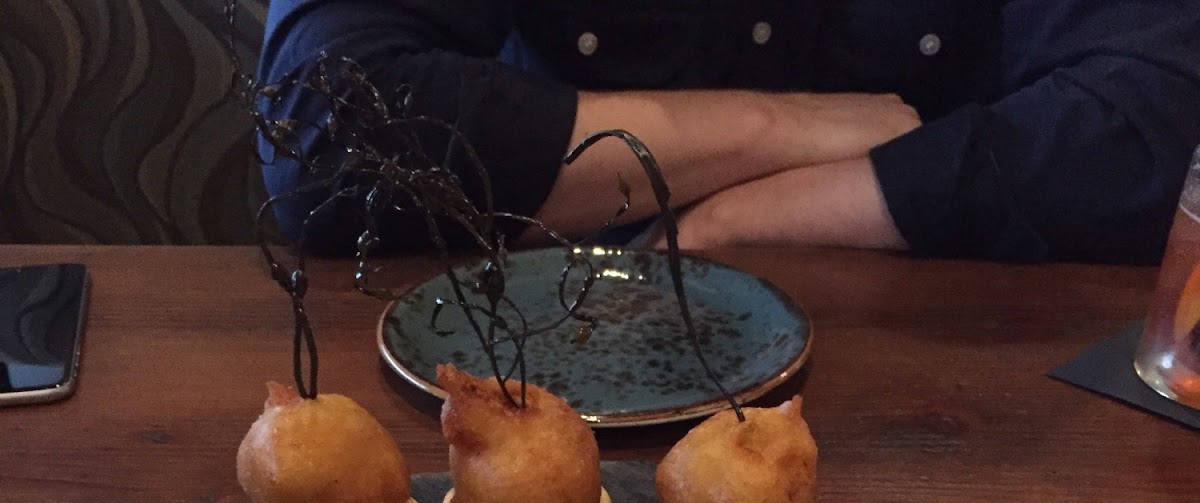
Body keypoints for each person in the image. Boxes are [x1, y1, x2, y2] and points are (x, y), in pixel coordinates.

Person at [258, 0, 1200, 265]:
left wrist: (744, 218)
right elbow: (328, 138)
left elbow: (1155, 124)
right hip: (549, 354)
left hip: (962, 399)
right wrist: (775, 126)